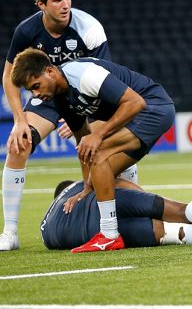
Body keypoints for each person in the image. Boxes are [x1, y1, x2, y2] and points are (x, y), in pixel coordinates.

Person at [0, 0, 136, 252]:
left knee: (107, 146)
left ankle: (127, 210)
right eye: (57, 0)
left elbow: (102, 78)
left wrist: (75, 115)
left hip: (89, 96)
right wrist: (18, 119)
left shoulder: (89, 28)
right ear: (41, 4)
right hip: (46, 96)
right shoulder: (26, 32)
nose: (65, 5)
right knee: (18, 145)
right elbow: (8, 77)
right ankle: (10, 232)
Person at [10, 48, 176, 252]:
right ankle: (189, 216)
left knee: (99, 156)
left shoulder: (83, 74)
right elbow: (82, 140)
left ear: (50, 71)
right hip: (138, 117)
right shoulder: (60, 98)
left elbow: (135, 102)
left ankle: (109, 234)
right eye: (31, 91)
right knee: (100, 174)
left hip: (153, 108)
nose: (36, 94)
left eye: (36, 86)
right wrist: (87, 187)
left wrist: (98, 135)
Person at [41, 178, 192, 251]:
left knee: (172, 233)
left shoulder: (46, 230)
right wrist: (146, 199)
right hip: (110, 201)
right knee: (179, 211)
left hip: (94, 233)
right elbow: (114, 181)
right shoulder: (77, 189)